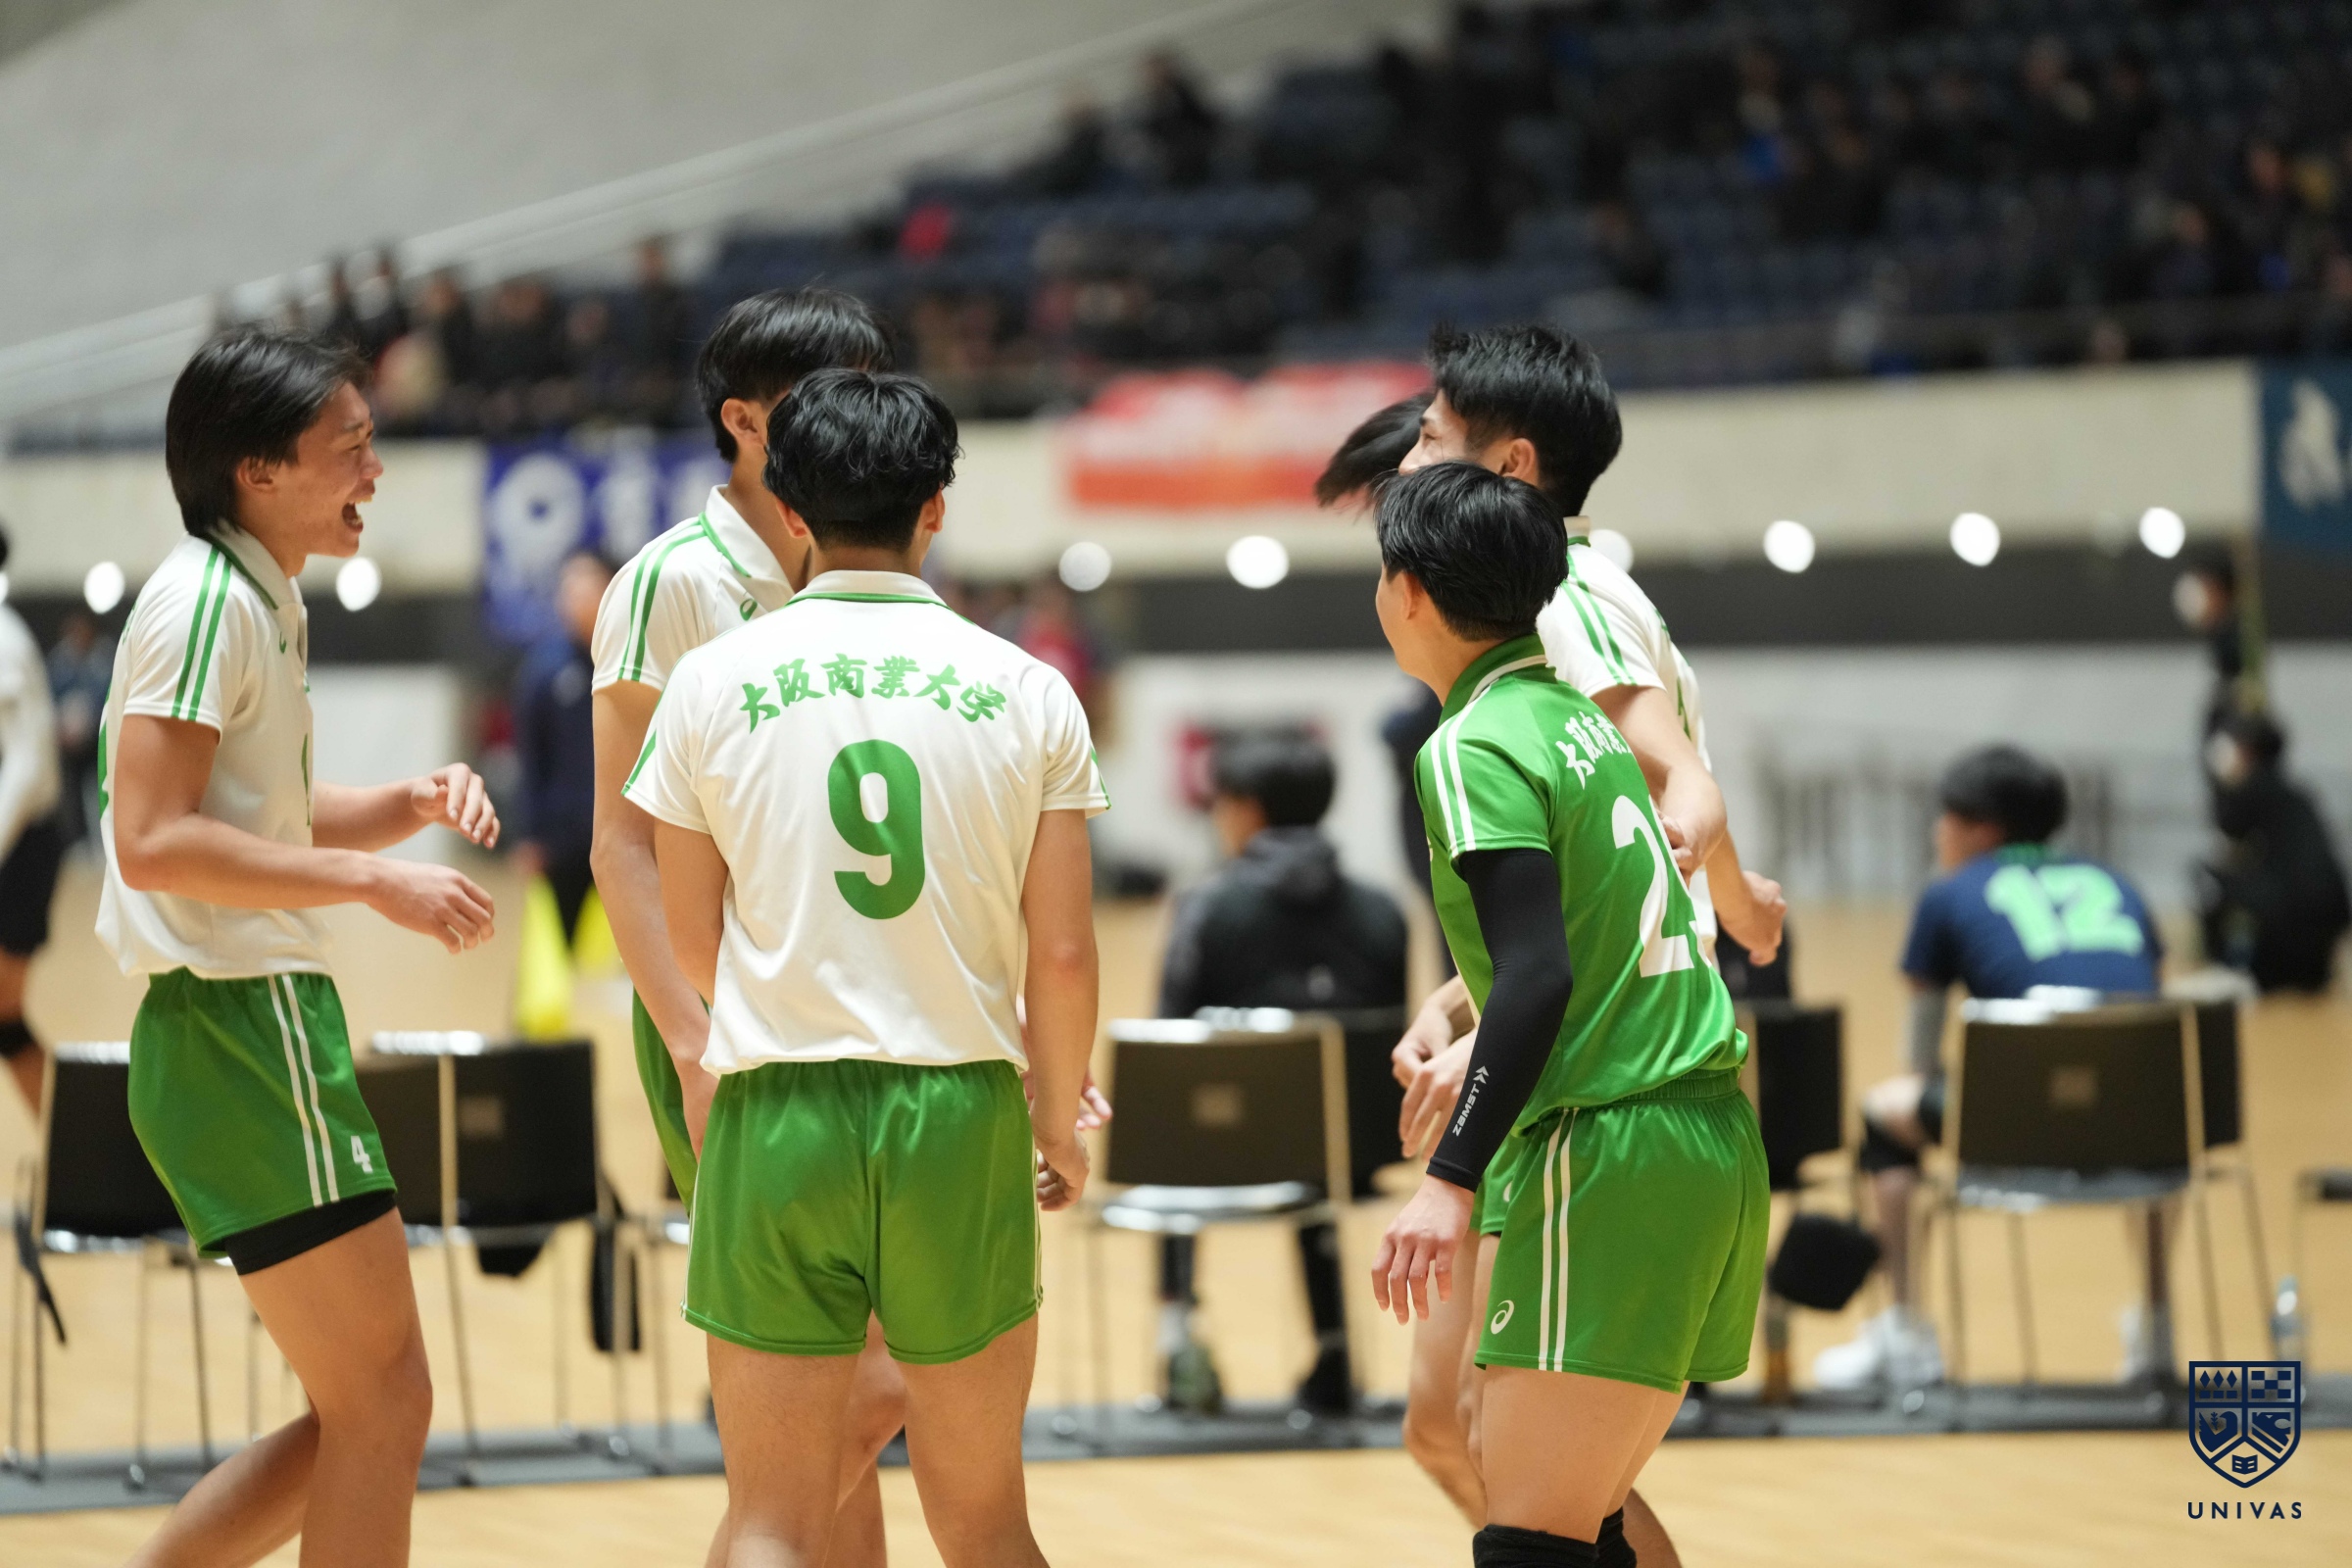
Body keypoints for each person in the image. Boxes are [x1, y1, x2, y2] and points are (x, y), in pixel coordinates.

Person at [625, 368, 1103, 1568]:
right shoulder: (1030, 689)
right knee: (986, 1521)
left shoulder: (708, 683)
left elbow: (693, 936)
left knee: (773, 1518)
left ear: (791, 510)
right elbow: (1061, 952)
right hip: (959, 1110)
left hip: (776, 1112)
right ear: (935, 506)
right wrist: (1056, 1117)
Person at [1383, 324, 1783, 1565]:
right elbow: (1610, 875)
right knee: (1522, 1470)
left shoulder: (1532, 668)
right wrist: (1472, 1005)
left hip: (1608, 1116)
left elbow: (1570, 938)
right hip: (1678, 1101)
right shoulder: (1566, 713)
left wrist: (1453, 1163)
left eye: (1430, 440)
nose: (1409, 460)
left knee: (1525, 1511)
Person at [102, 329, 501, 1566]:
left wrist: (407, 806)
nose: (375, 469)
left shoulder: (254, 597)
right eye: (353, 446)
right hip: (241, 1023)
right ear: (259, 468)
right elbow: (153, 839)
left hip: (241, 1027)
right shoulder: (206, 606)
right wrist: (374, 881)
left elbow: (259, 818)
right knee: (384, 1401)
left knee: (369, 1408)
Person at [588, 286, 904, 1568]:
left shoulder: (858, 568)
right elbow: (622, 842)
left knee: (846, 1383)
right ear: (744, 420)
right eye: (828, 392)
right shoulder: (673, 583)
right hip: (729, 1019)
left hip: (854, 1007)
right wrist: (690, 1036)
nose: (856, 415)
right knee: (858, 1384)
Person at [1814, 745, 2167, 1391]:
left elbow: (1919, 1060)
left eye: (1945, 818)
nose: (1936, 832)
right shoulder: (2118, 884)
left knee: (1884, 1114)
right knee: (2160, 1121)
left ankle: (1905, 1333)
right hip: (2140, 1127)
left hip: (2012, 1130)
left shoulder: (1948, 893)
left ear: (1981, 829)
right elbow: (2152, 1018)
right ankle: (2158, 1328)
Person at [1155, 732, 1408, 1415]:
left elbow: (1165, 1054)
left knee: (1175, 1135)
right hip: (1354, 1151)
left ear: (1247, 809)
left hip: (1224, 1150)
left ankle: (1179, 1346)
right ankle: (1334, 1349)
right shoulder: (1383, 910)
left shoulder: (1208, 906)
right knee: (1313, 1133)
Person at [2198, 710, 2350, 995]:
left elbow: (2228, 825)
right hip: (2328, 916)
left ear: (2247, 751)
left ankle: (2228, 968)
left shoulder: (2255, 789)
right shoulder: (2296, 794)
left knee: (2209, 879)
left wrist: (2223, 780)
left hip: (2293, 916)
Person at [514, 551, 612, 945]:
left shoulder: (634, 660)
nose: (576, 598)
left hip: (625, 833)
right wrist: (530, 835)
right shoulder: (544, 670)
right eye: (568, 589)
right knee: (558, 951)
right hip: (562, 841)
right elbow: (530, 757)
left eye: (586, 587)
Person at [0, 523, 63, 1110]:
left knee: (5, 1016)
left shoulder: (5, 640)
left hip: (21, 848)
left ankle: (74, 1151)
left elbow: (27, 768)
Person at [46, 607, 114, 847]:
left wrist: (91, 721)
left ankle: (103, 837)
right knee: (71, 793)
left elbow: (110, 696)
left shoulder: (104, 657)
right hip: (69, 743)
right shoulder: (59, 660)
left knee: (100, 788)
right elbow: (50, 697)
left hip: (97, 739)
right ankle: (79, 840)